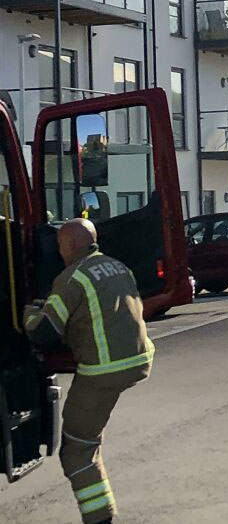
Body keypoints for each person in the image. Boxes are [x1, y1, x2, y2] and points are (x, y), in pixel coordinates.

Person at [24, 218, 155, 524]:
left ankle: (100, 519)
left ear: (70, 244)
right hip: (138, 360)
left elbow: (43, 332)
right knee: (89, 438)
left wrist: (29, 313)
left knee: (76, 450)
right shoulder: (118, 266)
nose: (58, 250)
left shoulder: (72, 278)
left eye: (59, 244)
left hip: (103, 371)